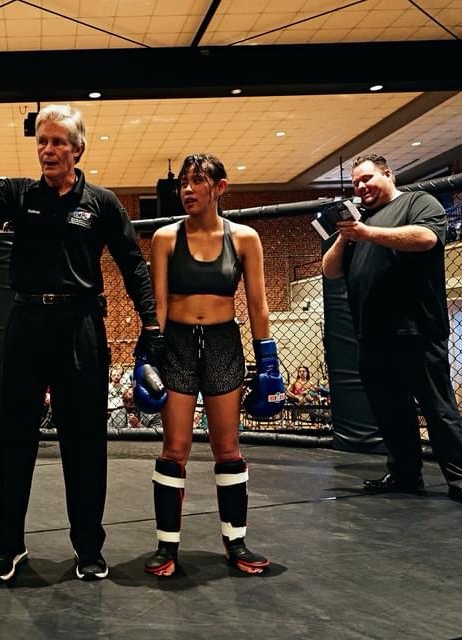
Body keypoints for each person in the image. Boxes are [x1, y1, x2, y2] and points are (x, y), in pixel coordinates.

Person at [0, 103, 162, 583]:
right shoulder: (20, 194)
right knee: (15, 439)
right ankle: (9, 546)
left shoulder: (102, 203)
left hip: (80, 326)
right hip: (26, 324)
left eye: (58, 141)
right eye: (42, 141)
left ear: (78, 149)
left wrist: (151, 325)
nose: (48, 149)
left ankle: (88, 548)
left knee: (85, 443)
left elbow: (133, 265)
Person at [321, 154, 462, 509]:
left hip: (417, 328)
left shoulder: (417, 202)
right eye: (355, 183)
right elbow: (330, 271)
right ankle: (404, 473)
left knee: (438, 408)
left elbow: (426, 238)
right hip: (372, 334)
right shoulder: (359, 222)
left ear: (388, 174)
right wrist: (345, 235)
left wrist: (367, 233)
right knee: (390, 410)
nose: (361, 186)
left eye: (367, 178)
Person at [143, 153, 276, 578]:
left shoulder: (245, 239)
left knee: (228, 449)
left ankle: (236, 542)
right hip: (177, 345)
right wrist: (147, 357)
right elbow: (158, 303)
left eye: (197, 181)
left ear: (219, 187)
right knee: (174, 448)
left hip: (223, 344)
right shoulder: (165, 238)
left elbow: (257, 304)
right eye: (183, 182)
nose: (187, 189)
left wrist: (268, 361)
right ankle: (166, 547)